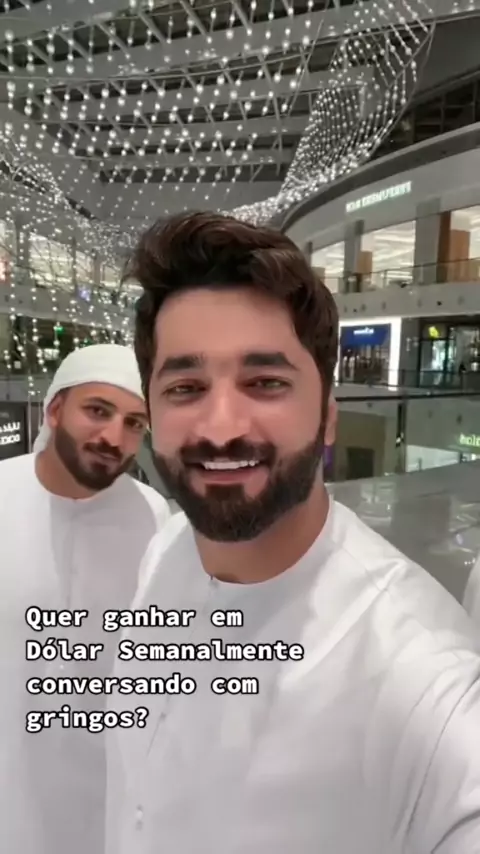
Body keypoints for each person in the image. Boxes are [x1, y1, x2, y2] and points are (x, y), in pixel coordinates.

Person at [106, 213, 480, 854]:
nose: (221, 427)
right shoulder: (165, 548)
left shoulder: (421, 679)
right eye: (186, 387)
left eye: (265, 383)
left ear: (328, 417)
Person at [0, 343, 170, 854]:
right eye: (97, 411)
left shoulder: (152, 516)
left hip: (104, 794)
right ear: (55, 410)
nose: (113, 437)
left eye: (134, 423)